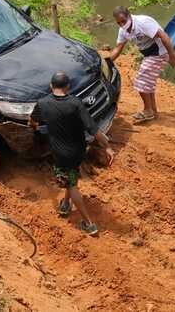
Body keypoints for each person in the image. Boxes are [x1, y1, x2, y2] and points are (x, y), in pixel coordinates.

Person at [30, 72, 115, 236]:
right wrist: (107, 146)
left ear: (51, 86)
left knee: (71, 185)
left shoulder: (42, 103)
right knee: (72, 175)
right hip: (78, 151)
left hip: (61, 155)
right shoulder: (75, 103)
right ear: (68, 86)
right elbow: (93, 129)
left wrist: (36, 129)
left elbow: (32, 122)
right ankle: (66, 203)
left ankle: (89, 224)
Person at [109, 6, 175, 123]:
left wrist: (172, 56)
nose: (122, 24)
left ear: (129, 16)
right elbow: (118, 48)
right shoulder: (123, 31)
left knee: (141, 80)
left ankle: (148, 110)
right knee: (147, 83)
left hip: (159, 52)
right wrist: (107, 62)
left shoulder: (143, 22)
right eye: (119, 23)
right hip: (149, 54)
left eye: (123, 21)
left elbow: (163, 36)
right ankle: (153, 111)